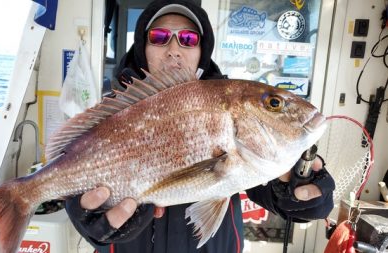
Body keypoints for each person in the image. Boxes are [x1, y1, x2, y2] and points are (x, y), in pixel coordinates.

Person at [65, 0, 335, 252]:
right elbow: (75, 176)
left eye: (188, 39)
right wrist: (87, 221)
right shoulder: (112, 112)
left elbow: (274, 192)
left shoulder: (229, 112)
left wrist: (300, 190)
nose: (174, 50)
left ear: (201, 49)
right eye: (159, 37)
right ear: (141, 47)